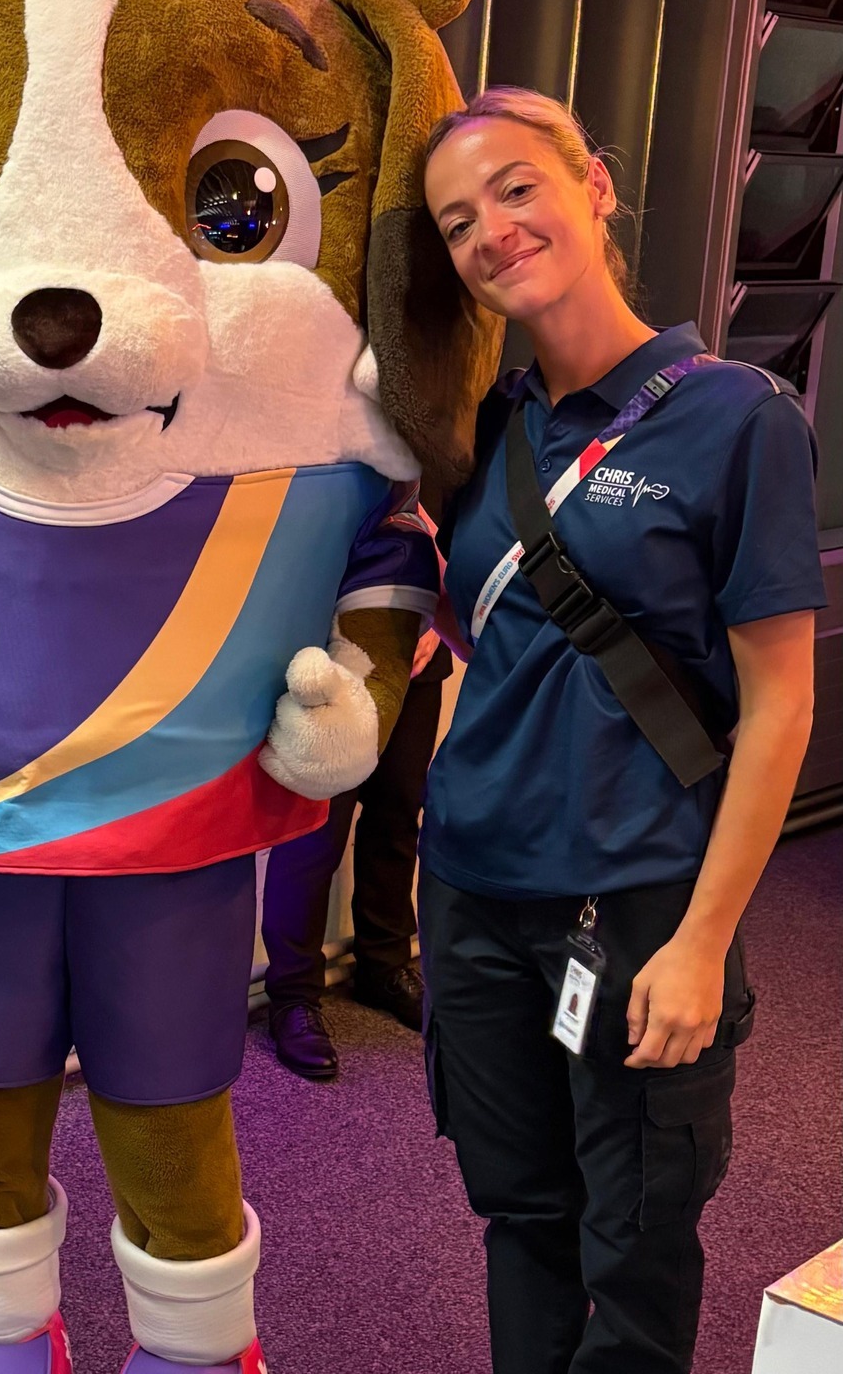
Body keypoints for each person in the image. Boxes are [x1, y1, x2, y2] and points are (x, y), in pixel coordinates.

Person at [417, 86, 824, 1374]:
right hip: (475, 890)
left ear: (594, 185)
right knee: (520, 1216)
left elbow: (780, 705)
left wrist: (705, 939)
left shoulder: (735, 417)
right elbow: (487, 640)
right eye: (458, 221)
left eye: (516, 189)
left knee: (636, 1239)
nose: (492, 231)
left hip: (639, 898)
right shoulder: (494, 432)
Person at [262, 627, 450, 1078]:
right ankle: (292, 996)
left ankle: (383, 967)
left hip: (411, 655)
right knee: (313, 836)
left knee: (398, 812)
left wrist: (436, 620)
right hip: (323, 653)